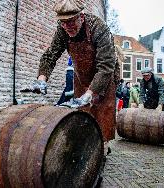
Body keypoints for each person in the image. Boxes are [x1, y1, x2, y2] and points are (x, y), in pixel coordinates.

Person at [35, 0, 119, 148]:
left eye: (71, 21)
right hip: (81, 77)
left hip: (104, 76)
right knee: (83, 114)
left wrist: (90, 94)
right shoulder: (62, 30)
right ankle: (86, 148)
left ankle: (102, 149)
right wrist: (41, 80)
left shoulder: (99, 28)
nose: (67, 26)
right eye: (63, 22)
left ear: (81, 16)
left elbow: (106, 66)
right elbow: (50, 55)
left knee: (102, 115)